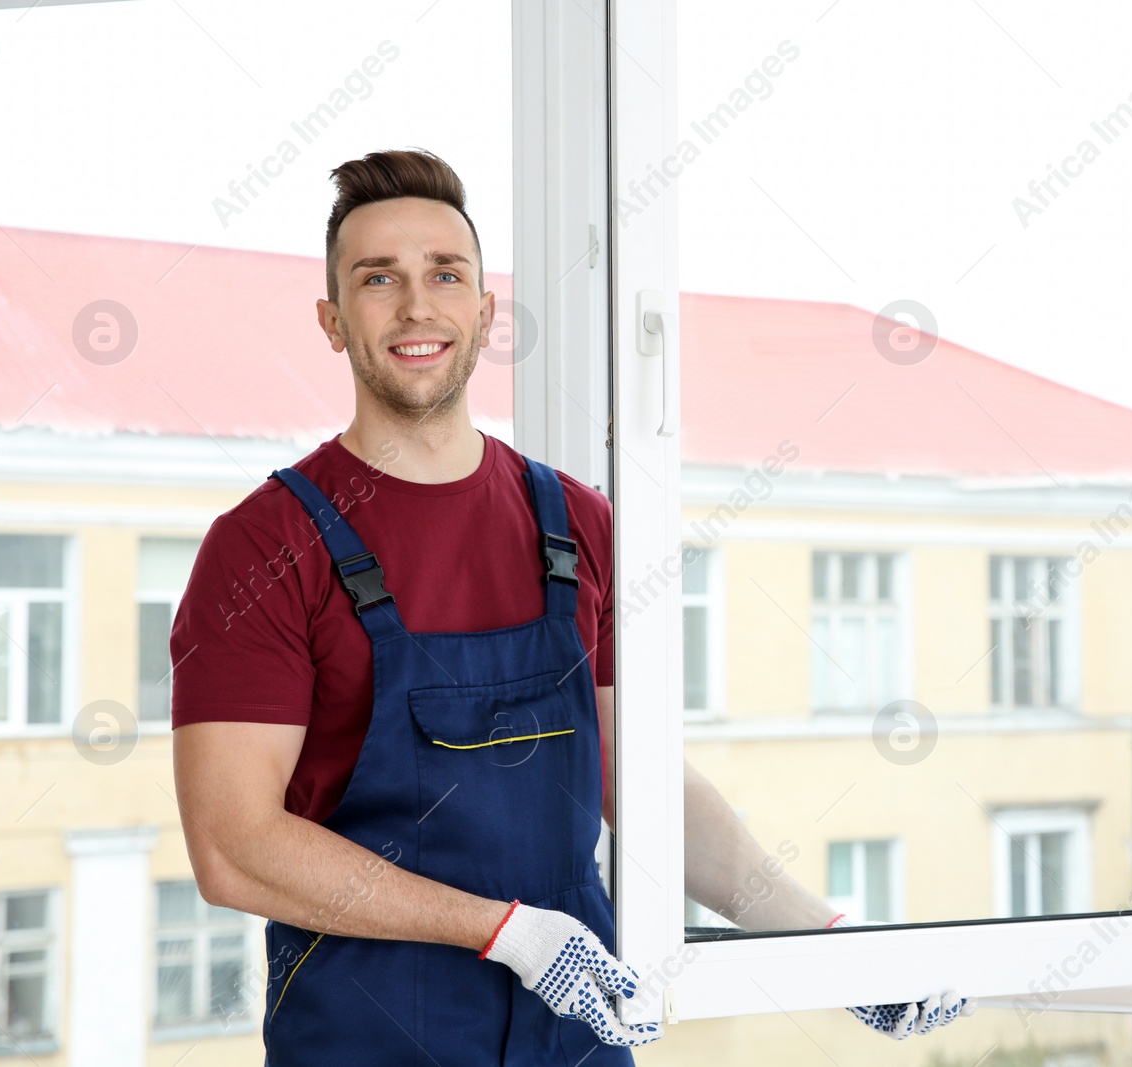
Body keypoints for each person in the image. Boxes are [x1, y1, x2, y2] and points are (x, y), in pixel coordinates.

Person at [170, 148, 969, 1065]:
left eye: (446, 274)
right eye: (377, 278)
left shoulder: (578, 523)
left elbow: (639, 784)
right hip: (370, 1034)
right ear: (332, 319)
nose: (417, 306)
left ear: (485, 309)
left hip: (575, 1036)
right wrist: (503, 932)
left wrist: (824, 943)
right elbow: (234, 847)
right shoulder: (267, 546)